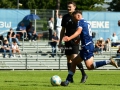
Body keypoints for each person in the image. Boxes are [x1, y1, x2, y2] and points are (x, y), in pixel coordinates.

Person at [61, 10, 118, 86]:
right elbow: (85, 34)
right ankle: (67, 81)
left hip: (87, 46)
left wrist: (69, 38)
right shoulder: (86, 22)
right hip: (88, 45)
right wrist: (78, 40)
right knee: (74, 62)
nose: (74, 19)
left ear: (78, 16)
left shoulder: (80, 22)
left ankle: (108, 61)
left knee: (90, 66)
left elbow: (78, 32)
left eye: (74, 17)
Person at [58, 1, 87, 83]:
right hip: (67, 40)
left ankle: (84, 74)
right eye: (67, 7)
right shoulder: (65, 17)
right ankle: (70, 79)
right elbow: (63, 30)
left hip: (75, 41)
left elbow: (80, 30)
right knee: (68, 59)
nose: (68, 8)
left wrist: (79, 39)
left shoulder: (77, 17)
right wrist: (60, 41)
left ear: (74, 7)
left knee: (74, 58)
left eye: (70, 7)